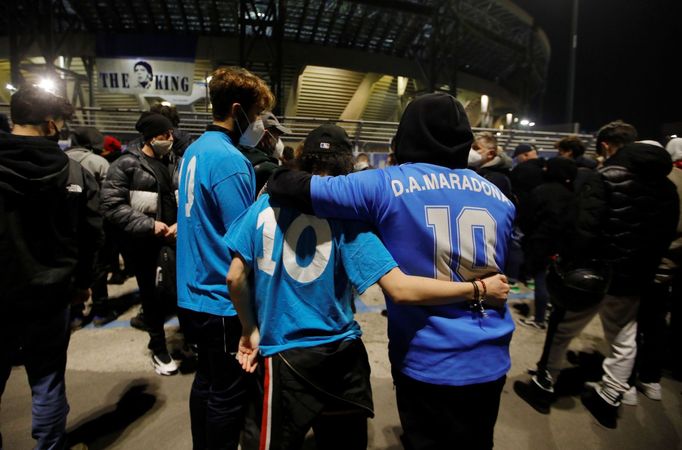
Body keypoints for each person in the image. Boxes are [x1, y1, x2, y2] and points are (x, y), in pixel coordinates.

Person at [226, 124, 510, 450]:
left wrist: (249, 329)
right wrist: (478, 289)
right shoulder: (349, 218)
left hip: (283, 354)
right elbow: (399, 287)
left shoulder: (263, 206)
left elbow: (235, 277)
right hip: (340, 356)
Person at [514, 121, 679, 429]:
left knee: (563, 329)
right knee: (624, 336)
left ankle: (543, 384)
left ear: (605, 146)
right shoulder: (667, 186)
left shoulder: (604, 177)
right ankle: (610, 396)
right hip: (635, 276)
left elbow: (583, 229)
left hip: (593, 274)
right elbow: (664, 234)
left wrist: (568, 263)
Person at [176, 66, 275, 450]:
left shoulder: (195, 150)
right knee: (228, 394)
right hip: (220, 299)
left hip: (191, 293)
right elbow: (243, 245)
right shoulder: (231, 161)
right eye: (258, 113)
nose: (261, 123)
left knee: (206, 380)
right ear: (238, 110)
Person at [0, 86, 103, 449]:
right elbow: (92, 236)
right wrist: (83, 283)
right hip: (51, 295)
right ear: (48, 125)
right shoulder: (74, 174)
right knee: (46, 382)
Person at [101, 112, 179, 375]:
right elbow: (112, 205)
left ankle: (186, 341)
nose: (169, 139)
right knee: (152, 298)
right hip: (145, 244)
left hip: (176, 240)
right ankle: (159, 349)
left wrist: (182, 224)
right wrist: (149, 225)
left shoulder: (175, 162)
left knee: (178, 294)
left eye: (170, 134)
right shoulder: (126, 164)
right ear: (149, 137)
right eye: (163, 135)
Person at [517, 157, 578, 330]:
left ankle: (539, 319)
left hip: (541, 243)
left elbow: (527, 218)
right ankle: (552, 310)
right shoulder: (570, 193)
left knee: (540, 279)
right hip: (563, 245)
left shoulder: (541, 191)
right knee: (555, 280)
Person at [66, 126, 118, 327]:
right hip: (95, 222)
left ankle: (76, 313)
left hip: (67, 226)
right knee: (98, 268)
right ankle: (100, 311)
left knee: (72, 267)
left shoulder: (60, 159)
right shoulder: (98, 162)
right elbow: (108, 197)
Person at [238, 111, 290, 192]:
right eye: (276, 137)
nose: (277, 142)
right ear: (265, 136)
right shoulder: (269, 170)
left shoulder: (237, 156)